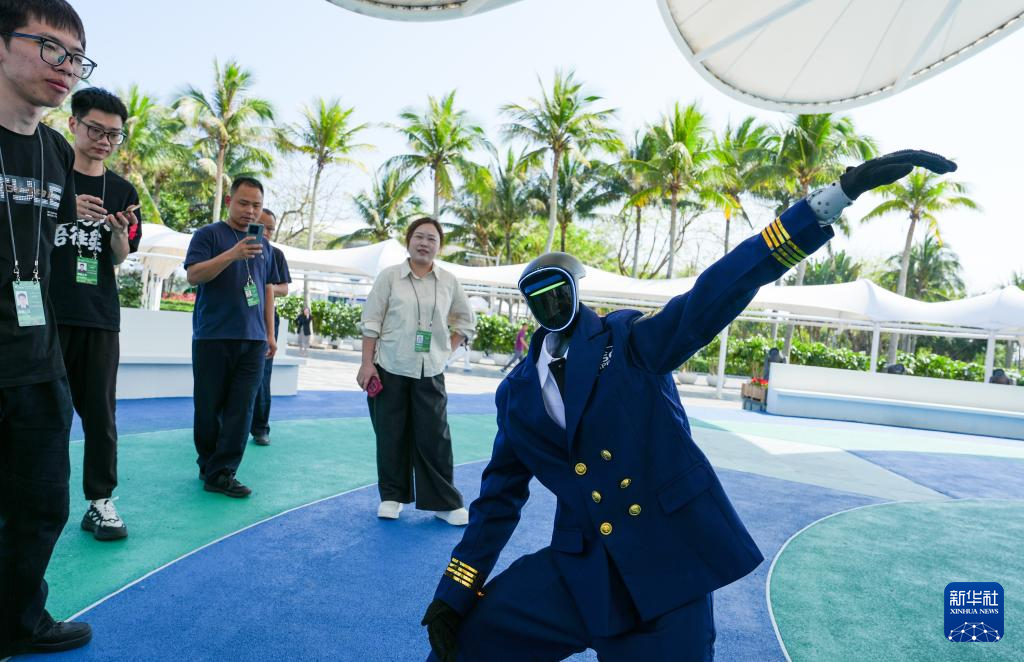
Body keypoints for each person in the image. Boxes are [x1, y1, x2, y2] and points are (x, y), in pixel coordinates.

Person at [421, 150, 957, 661]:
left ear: (578, 291)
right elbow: (498, 501)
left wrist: (829, 201)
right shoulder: (515, 394)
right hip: (578, 568)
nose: (552, 304)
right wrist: (455, 591)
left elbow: (718, 290)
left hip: (667, 565)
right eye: (540, 297)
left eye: (559, 291)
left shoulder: (628, 342)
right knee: (463, 644)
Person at [0, 0, 95, 655]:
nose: (66, 67)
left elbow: (46, 246)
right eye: (50, 47)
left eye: (78, 57)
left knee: (42, 504)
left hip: (37, 359)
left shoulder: (56, 151)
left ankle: (18, 621)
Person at [50, 87, 141, 542]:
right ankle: (34, 498)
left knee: (101, 415)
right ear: (74, 124)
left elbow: (120, 257)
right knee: (41, 413)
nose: (105, 141)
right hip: (44, 312)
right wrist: (65, 213)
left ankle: (100, 501)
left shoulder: (123, 190)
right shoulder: (48, 174)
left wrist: (118, 233)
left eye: (114, 135)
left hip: (99, 315)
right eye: (96, 130)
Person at [358, 217, 476, 525]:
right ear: (408, 241)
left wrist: (445, 351)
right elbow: (371, 322)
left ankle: (444, 503)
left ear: (439, 246)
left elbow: (466, 321)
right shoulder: (389, 277)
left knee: (435, 438)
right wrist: (367, 363)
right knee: (390, 434)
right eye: (419, 237)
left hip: (430, 370)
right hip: (390, 366)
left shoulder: (448, 281)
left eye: (431, 239)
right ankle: (392, 497)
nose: (424, 243)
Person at [184, 177, 279, 498]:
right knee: (208, 407)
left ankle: (223, 472)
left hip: (253, 340)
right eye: (244, 203)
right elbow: (194, 275)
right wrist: (232, 255)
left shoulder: (266, 246)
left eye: (257, 205)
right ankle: (208, 463)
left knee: (242, 408)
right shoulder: (208, 235)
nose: (250, 211)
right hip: (213, 335)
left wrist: (269, 333)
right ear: (229, 201)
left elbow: (267, 289)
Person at [249, 208, 290, 446]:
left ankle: (260, 428)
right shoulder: (239, 248)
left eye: (271, 229)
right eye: (262, 226)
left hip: (266, 320)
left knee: (263, 376)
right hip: (240, 319)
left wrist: (265, 287)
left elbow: (284, 288)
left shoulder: (275, 254)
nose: (266, 232)